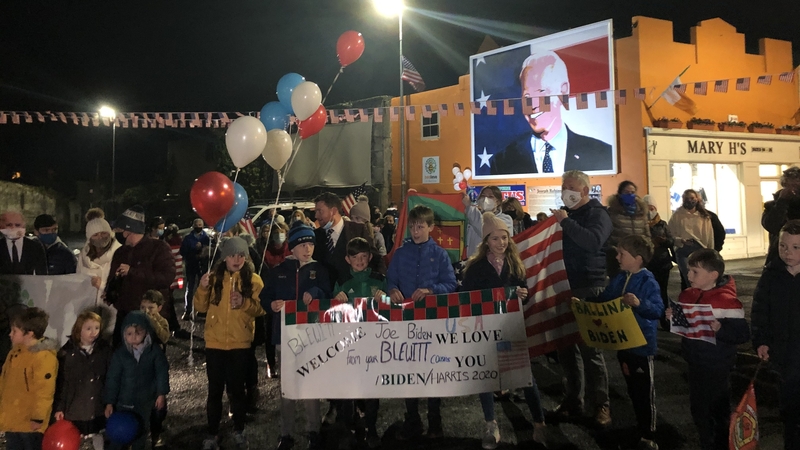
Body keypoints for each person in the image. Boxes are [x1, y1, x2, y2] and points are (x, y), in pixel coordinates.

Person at [461, 212, 546, 450]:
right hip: (486, 328)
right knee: (487, 377)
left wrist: (522, 295)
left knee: (524, 376)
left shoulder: (515, 263)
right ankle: (491, 423)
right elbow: (466, 297)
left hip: (510, 325)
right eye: (496, 238)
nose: (501, 243)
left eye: (505, 238)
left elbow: (525, 292)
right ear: (486, 240)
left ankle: (539, 423)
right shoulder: (476, 267)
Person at [386, 204, 458, 440]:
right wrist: (393, 290)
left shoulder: (440, 254)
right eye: (413, 226)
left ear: (431, 227)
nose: (416, 231)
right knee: (409, 369)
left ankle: (435, 419)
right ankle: (413, 418)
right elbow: (390, 281)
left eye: (421, 226)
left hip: (431, 321)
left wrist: (431, 290)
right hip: (406, 321)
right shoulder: (400, 253)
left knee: (432, 369)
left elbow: (451, 284)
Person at [666, 249, 749, 450]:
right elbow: (684, 327)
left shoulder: (726, 301)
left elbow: (742, 334)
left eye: (695, 272)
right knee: (699, 409)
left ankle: (721, 444)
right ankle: (706, 442)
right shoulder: (687, 295)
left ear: (713, 275)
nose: (689, 275)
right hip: (695, 361)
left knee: (718, 410)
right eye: (689, 271)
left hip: (717, 365)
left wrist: (721, 329)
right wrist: (670, 317)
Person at [550, 170, 613, 426]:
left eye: (572, 187)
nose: (567, 192)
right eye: (564, 187)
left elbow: (593, 241)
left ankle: (601, 405)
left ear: (585, 191)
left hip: (589, 287)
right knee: (567, 350)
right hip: (564, 287)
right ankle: (573, 399)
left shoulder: (598, 214)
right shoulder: (568, 215)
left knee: (591, 351)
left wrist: (566, 223)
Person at [489, 51, 612, 176]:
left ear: (563, 91)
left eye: (540, 92)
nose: (532, 104)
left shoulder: (602, 153)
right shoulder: (502, 161)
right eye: (526, 96)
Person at [592, 235, 663, 450]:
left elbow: (657, 310)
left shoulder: (647, 280)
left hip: (641, 346)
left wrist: (639, 303)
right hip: (624, 344)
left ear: (638, 258)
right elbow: (606, 298)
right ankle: (639, 427)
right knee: (633, 389)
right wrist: (585, 304)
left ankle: (648, 434)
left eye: (622, 253)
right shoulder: (621, 278)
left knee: (644, 392)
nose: (617, 257)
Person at [263, 222, 330, 450]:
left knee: (311, 384)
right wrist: (271, 304)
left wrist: (315, 292)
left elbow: (327, 292)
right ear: (292, 247)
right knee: (288, 387)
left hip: (312, 337)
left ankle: (314, 430)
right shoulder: (279, 271)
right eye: (303, 244)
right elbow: (265, 296)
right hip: (285, 338)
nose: (308, 249)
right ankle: (286, 433)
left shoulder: (319, 269)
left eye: (311, 244)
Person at [193, 237, 265, 450]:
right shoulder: (214, 278)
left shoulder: (254, 280)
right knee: (214, 391)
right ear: (224, 257)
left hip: (240, 343)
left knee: (237, 390)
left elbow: (260, 309)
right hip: (215, 343)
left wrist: (244, 303)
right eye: (233, 255)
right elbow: (200, 307)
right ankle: (212, 433)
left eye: (241, 255)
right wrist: (203, 287)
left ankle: (239, 429)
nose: (237, 259)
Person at [331, 237, 387, 449]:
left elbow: (393, 307)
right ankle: (348, 428)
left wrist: (384, 299)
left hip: (373, 342)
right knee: (348, 388)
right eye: (355, 257)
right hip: (349, 343)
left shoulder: (379, 279)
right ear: (347, 259)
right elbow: (332, 310)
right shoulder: (343, 280)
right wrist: (337, 300)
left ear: (370, 257)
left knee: (372, 388)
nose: (360, 261)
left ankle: (371, 429)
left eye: (364, 257)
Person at [751, 220, 800, 450]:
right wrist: (761, 340)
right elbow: (760, 310)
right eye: (783, 246)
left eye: (795, 247)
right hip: (784, 354)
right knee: (789, 406)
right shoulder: (771, 275)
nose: (787, 252)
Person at [106, 205, 176, 348]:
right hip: (125, 317)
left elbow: (166, 278)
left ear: (129, 230)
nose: (115, 233)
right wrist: (110, 294)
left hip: (149, 318)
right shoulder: (120, 252)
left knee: (147, 364)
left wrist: (133, 272)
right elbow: (113, 279)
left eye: (119, 230)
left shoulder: (159, 248)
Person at [104, 311, 170, 450]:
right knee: (118, 433)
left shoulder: (154, 352)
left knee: (141, 431)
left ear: (146, 332)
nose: (133, 337)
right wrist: (109, 402)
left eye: (138, 333)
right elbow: (113, 379)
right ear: (123, 334)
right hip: (123, 401)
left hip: (145, 401)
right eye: (129, 334)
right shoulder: (120, 354)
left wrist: (161, 393)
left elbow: (161, 373)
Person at [0, 307, 58, 450]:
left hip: (30, 424)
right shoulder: (15, 353)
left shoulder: (43, 358)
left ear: (29, 334)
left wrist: (38, 417)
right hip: (12, 418)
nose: (10, 334)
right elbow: (4, 381)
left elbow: (44, 391)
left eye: (14, 331)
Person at [54, 310, 112, 450]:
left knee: (98, 434)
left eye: (97, 328)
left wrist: (110, 402)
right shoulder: (67, 353)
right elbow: (62, 382)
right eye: (88, 328)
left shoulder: (104, 350)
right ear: (79, 329)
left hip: (97, 405)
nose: (94, 332)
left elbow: (110, 377)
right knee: (74, 436)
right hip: (75, 407)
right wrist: (60, 407)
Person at [312, 192, 384, 289]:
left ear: (333, 211)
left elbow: (375, 259)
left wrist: (380, 283)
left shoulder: (358, 230)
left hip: (354, 293)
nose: (316, 216)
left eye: (320, 211)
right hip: (326, 296)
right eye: (315, 211)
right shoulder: (316, 235)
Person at [668, 189, 714, 290]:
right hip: (683, 249)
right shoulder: (677, 215)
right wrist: (680, 240)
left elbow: (709, 235)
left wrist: (711, 252)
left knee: (702, 278)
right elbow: (670, 233)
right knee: (688, 278)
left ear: (697, 199)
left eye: (692, 198)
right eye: (686, 198)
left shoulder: (704, 216)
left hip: (700, 248)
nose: (689, 200)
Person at [605, 181, 651, 277]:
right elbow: (608, 234)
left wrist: (647, 249)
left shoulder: (641, 212)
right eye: (626, 192)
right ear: (620, 194)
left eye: (632, 192)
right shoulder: (613, 212)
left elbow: (646, 233)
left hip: (637, 256)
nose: (630, 195)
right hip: (619, 256)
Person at [642, 195, 674, 329]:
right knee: (648, 292)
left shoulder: (662, 224)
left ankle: (665, 319)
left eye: (652, 208)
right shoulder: (641, 224)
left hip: (662, 263)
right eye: (647, 208)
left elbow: (671, 240)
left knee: (662, 292)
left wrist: (664, 241)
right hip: (647, 263)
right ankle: (650, 318)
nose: (650, 211)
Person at [762, 166, 800, 266]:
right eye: (791, 185)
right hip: (779, 262)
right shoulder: (772, 206)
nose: (794, 190)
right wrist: (782, 201)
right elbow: (772, 226)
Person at [78, 218, 122, 302]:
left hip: (110, 306)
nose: (100, 237)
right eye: (95, 235)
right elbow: (78, 279)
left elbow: (124, 284)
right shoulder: (83, 256)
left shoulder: (119, 253)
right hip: (87, 305)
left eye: (103, 233)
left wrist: (103, 285)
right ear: (90, 238)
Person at [463, 186, 514, 258]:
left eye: (490, 196)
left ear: (498, 202)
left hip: (495, 262)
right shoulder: (473, 216)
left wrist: (469, 207)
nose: (485, 199)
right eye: (483, 196)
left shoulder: (505, 219)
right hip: (473, 261)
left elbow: (485, 230)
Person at [180, 218, 210, 320]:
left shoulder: (206, 238)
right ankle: (188, 310)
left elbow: (210, 250)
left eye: (200, 224)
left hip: (203, 265)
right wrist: (193, 250)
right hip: (191, 265)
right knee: (190, 287)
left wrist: (203, 248)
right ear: (193, 226)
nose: (198, 226)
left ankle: (201, 310)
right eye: (196, 225)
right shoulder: (188, 238)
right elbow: (182, 251)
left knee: (202, 287)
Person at [0, 210, 47, 275]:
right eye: (9, 225)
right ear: (1, 226)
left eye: (17, 225)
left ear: (23, 226)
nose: (13, 228)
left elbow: (42, 275)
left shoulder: (35, 247)